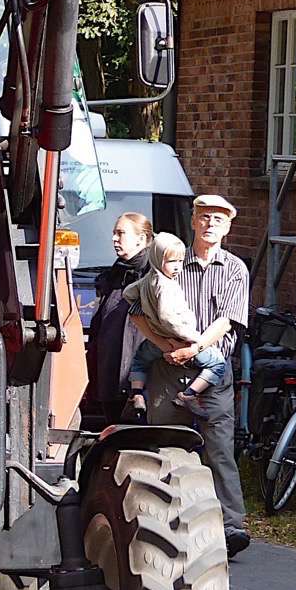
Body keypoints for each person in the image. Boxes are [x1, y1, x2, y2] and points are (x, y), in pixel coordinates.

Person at [129, 194, 250, 555]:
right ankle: (161, 523)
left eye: (218, 218)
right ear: (194, 220)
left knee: (219, 450)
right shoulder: (167, 258)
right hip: (168, 369)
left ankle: (230, 527)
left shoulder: (233, 268)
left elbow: (226, 321)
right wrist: (164, 346)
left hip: (211, 372)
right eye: (205, 217)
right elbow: (135, 308)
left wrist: (193, 349)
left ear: (228, 227)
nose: (211, 223)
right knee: (163, 445)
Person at [124, 232, 231, 418]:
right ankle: (189, 395)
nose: (177, 267)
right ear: (157, 259)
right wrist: (191, 339)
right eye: (172, 262)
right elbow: (168, 318)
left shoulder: (148, 280)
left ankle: (137, 394)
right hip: (181, 339)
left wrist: (144, 308)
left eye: (180, 261)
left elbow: (128, 294)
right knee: (217, 364)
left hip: (156, 341)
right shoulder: (167, 286)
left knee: (140, 361)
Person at [86, 211, 152, 424]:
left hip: (138, 376)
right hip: (110, 372)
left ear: (141, 239)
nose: (114, 239)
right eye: (114, 233)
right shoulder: (116, 272)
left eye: (121, 233)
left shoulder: (154, 273)